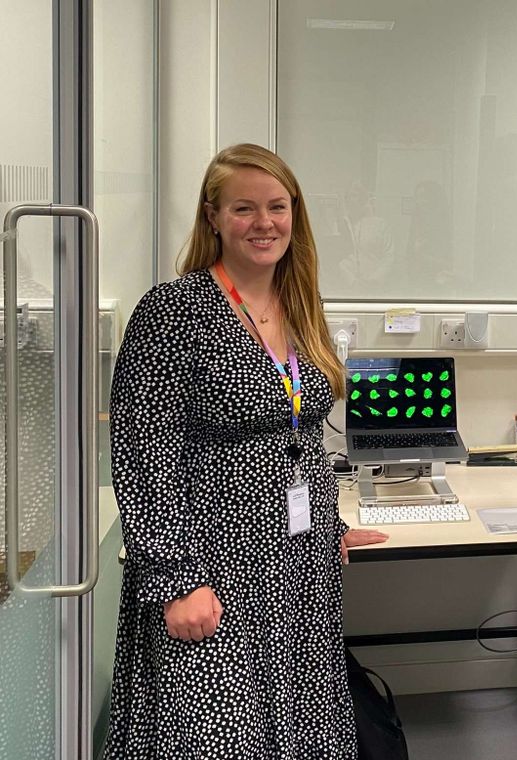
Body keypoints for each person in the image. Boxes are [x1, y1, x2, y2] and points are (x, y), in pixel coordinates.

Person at [104, 143, 387, 759]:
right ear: (212, 217)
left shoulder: (301, 305)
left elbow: (302, 432)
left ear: (296, 215)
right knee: (218, 736)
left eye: (277, 207)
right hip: (211, 569)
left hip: (299, 567)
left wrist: (329, 522)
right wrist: (175, 581)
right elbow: (143, 452)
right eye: (243, 208)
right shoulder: (174, 311)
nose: (264, 223)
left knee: (303, 729)